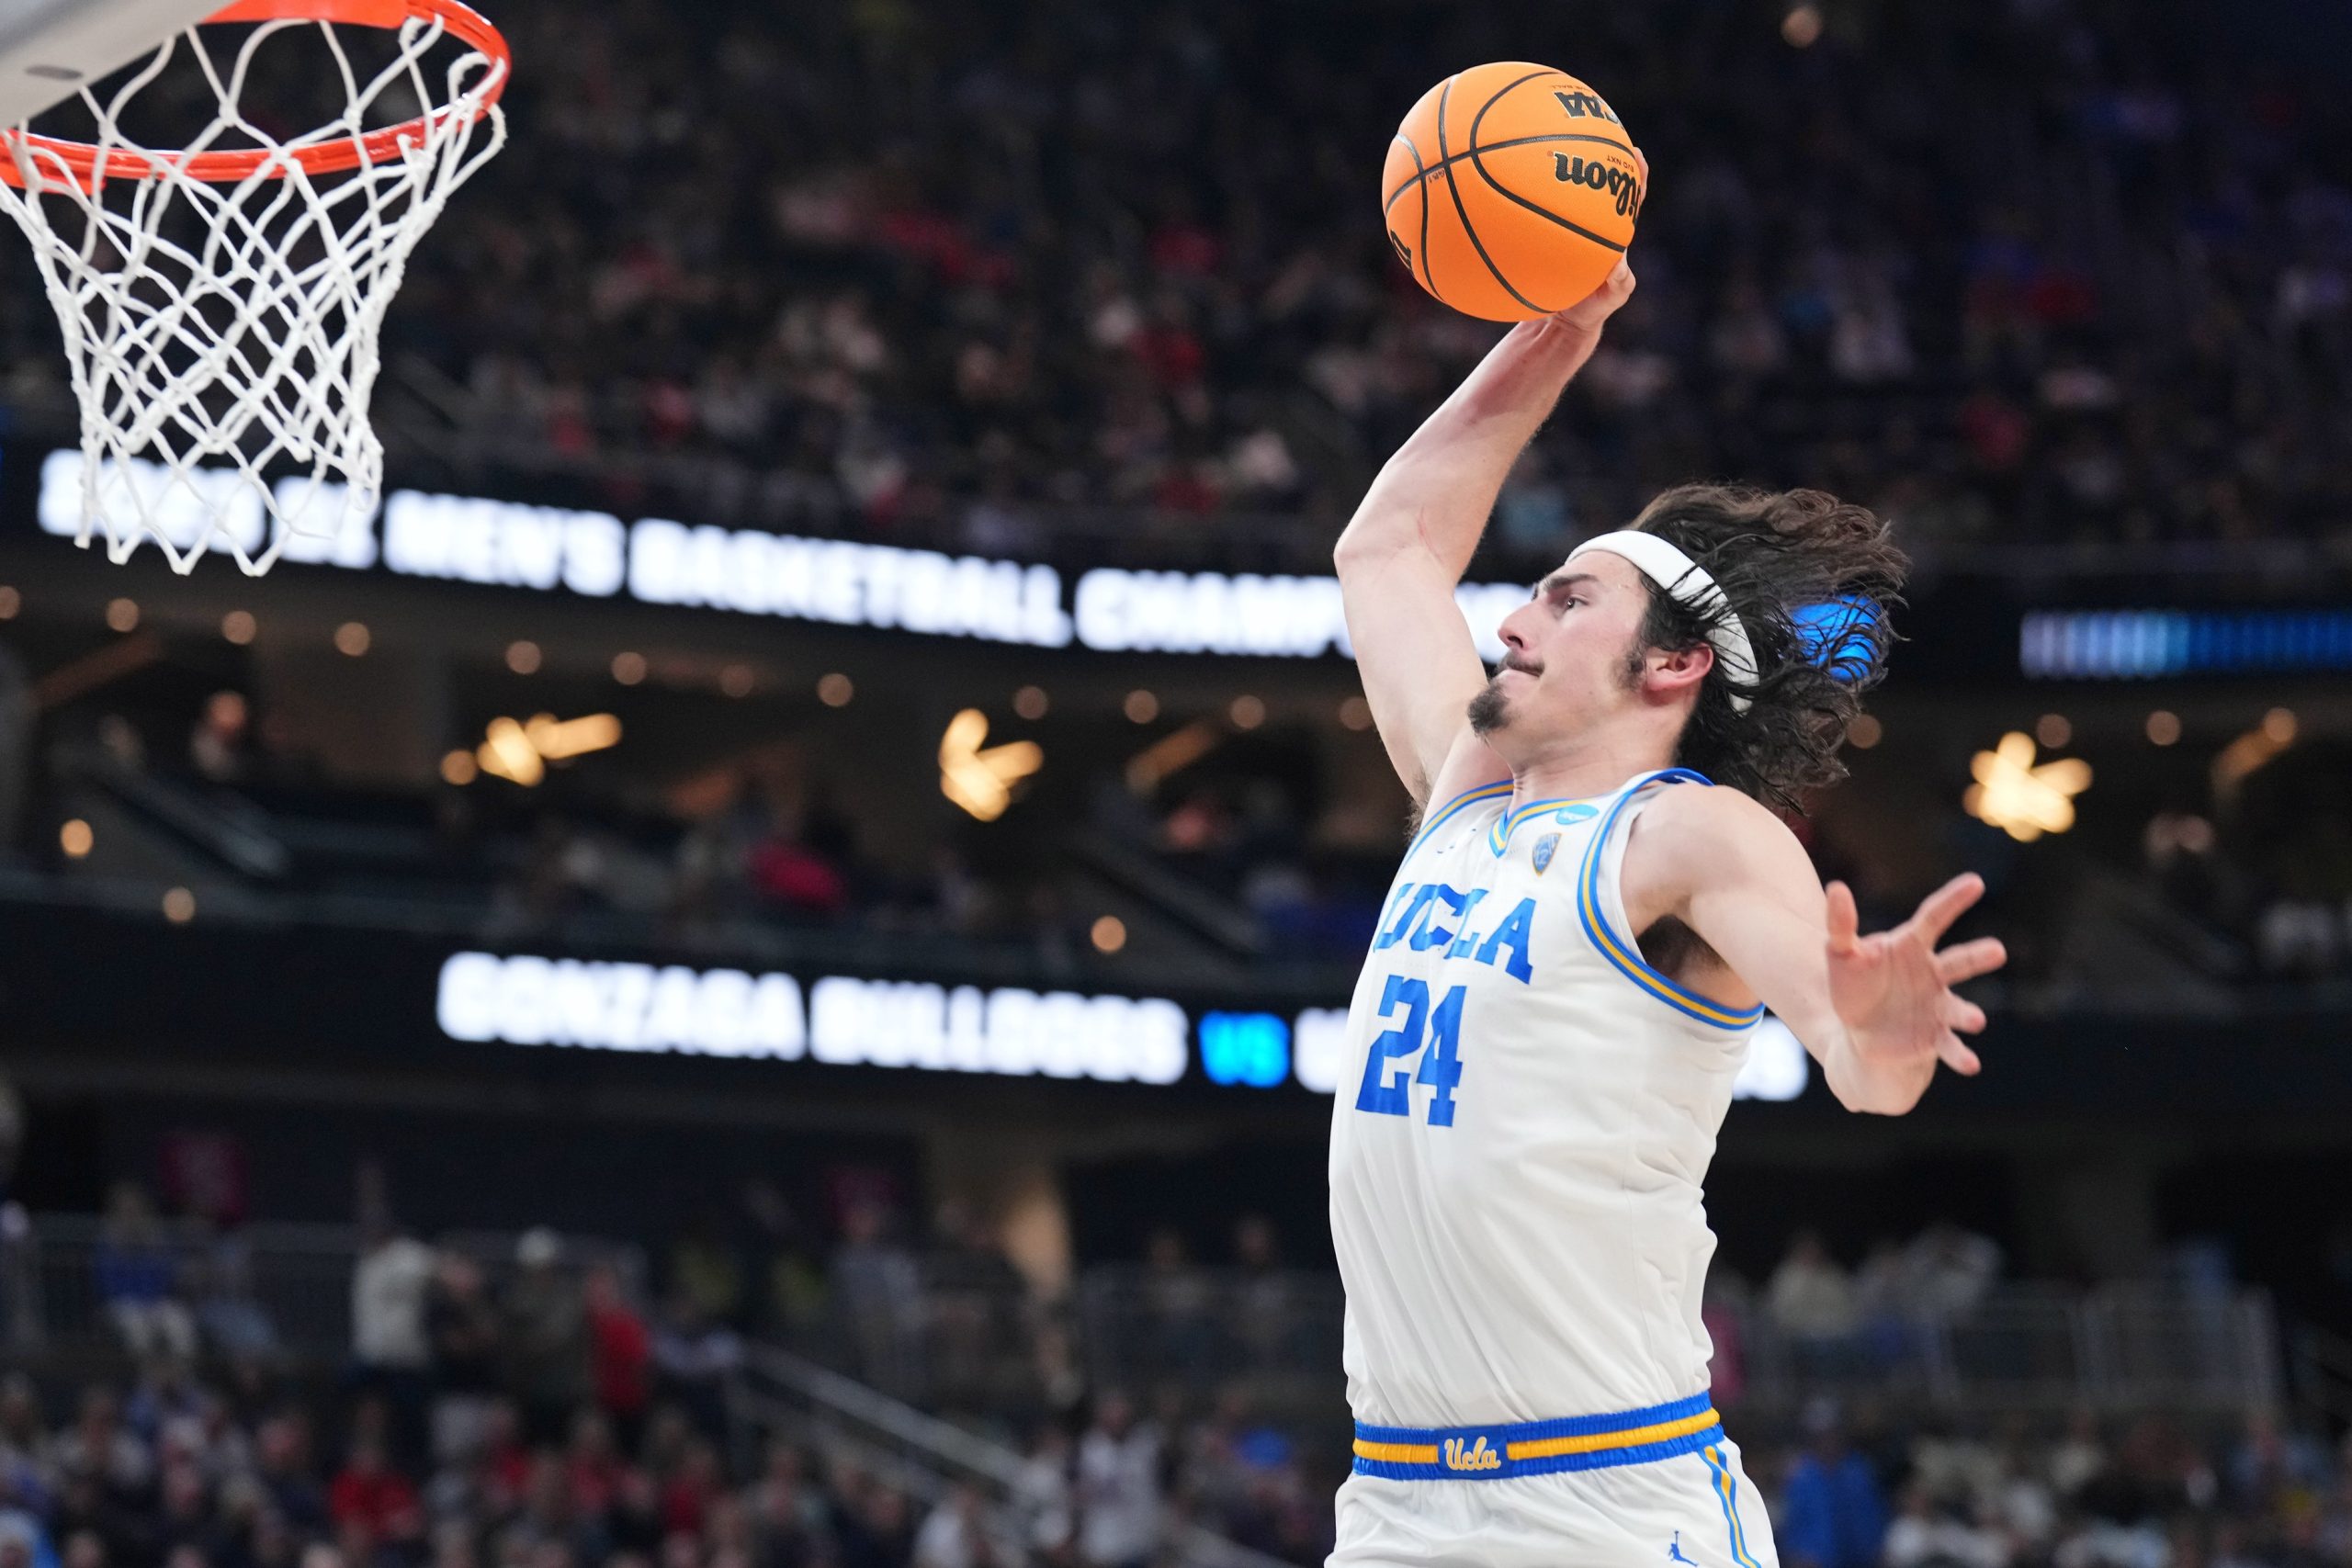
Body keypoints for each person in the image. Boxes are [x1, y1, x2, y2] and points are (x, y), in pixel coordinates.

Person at [1322, 220, 2007, 1568]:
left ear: (1674, 666)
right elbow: (1389, 546)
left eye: (1565, 599)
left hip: (1607, 1507)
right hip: (1396, 1508)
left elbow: (1865, 1074)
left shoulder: (1694, 837)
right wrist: (1554, 339)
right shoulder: (1462, 797)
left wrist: (1881, 1022)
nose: (1511, 619)